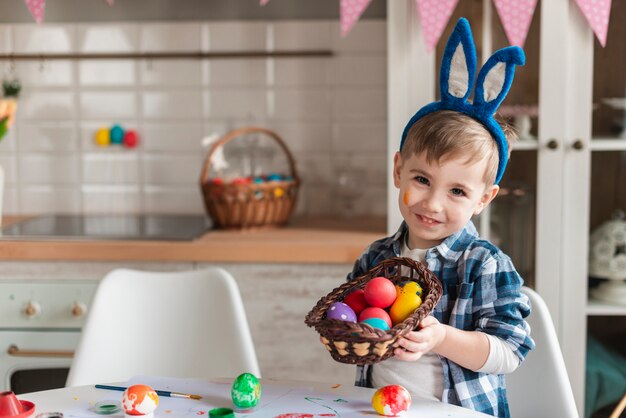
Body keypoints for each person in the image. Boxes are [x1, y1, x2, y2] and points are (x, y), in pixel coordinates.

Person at [346, 18, 535, 418]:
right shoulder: (375, 258)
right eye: (421, 179)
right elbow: (355, 322)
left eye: (456, 191)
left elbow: (510, 353)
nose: (432, 203)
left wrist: (442, 338)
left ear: (483, 199)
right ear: (398, 170)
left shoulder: (484, 265)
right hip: (379, 410)